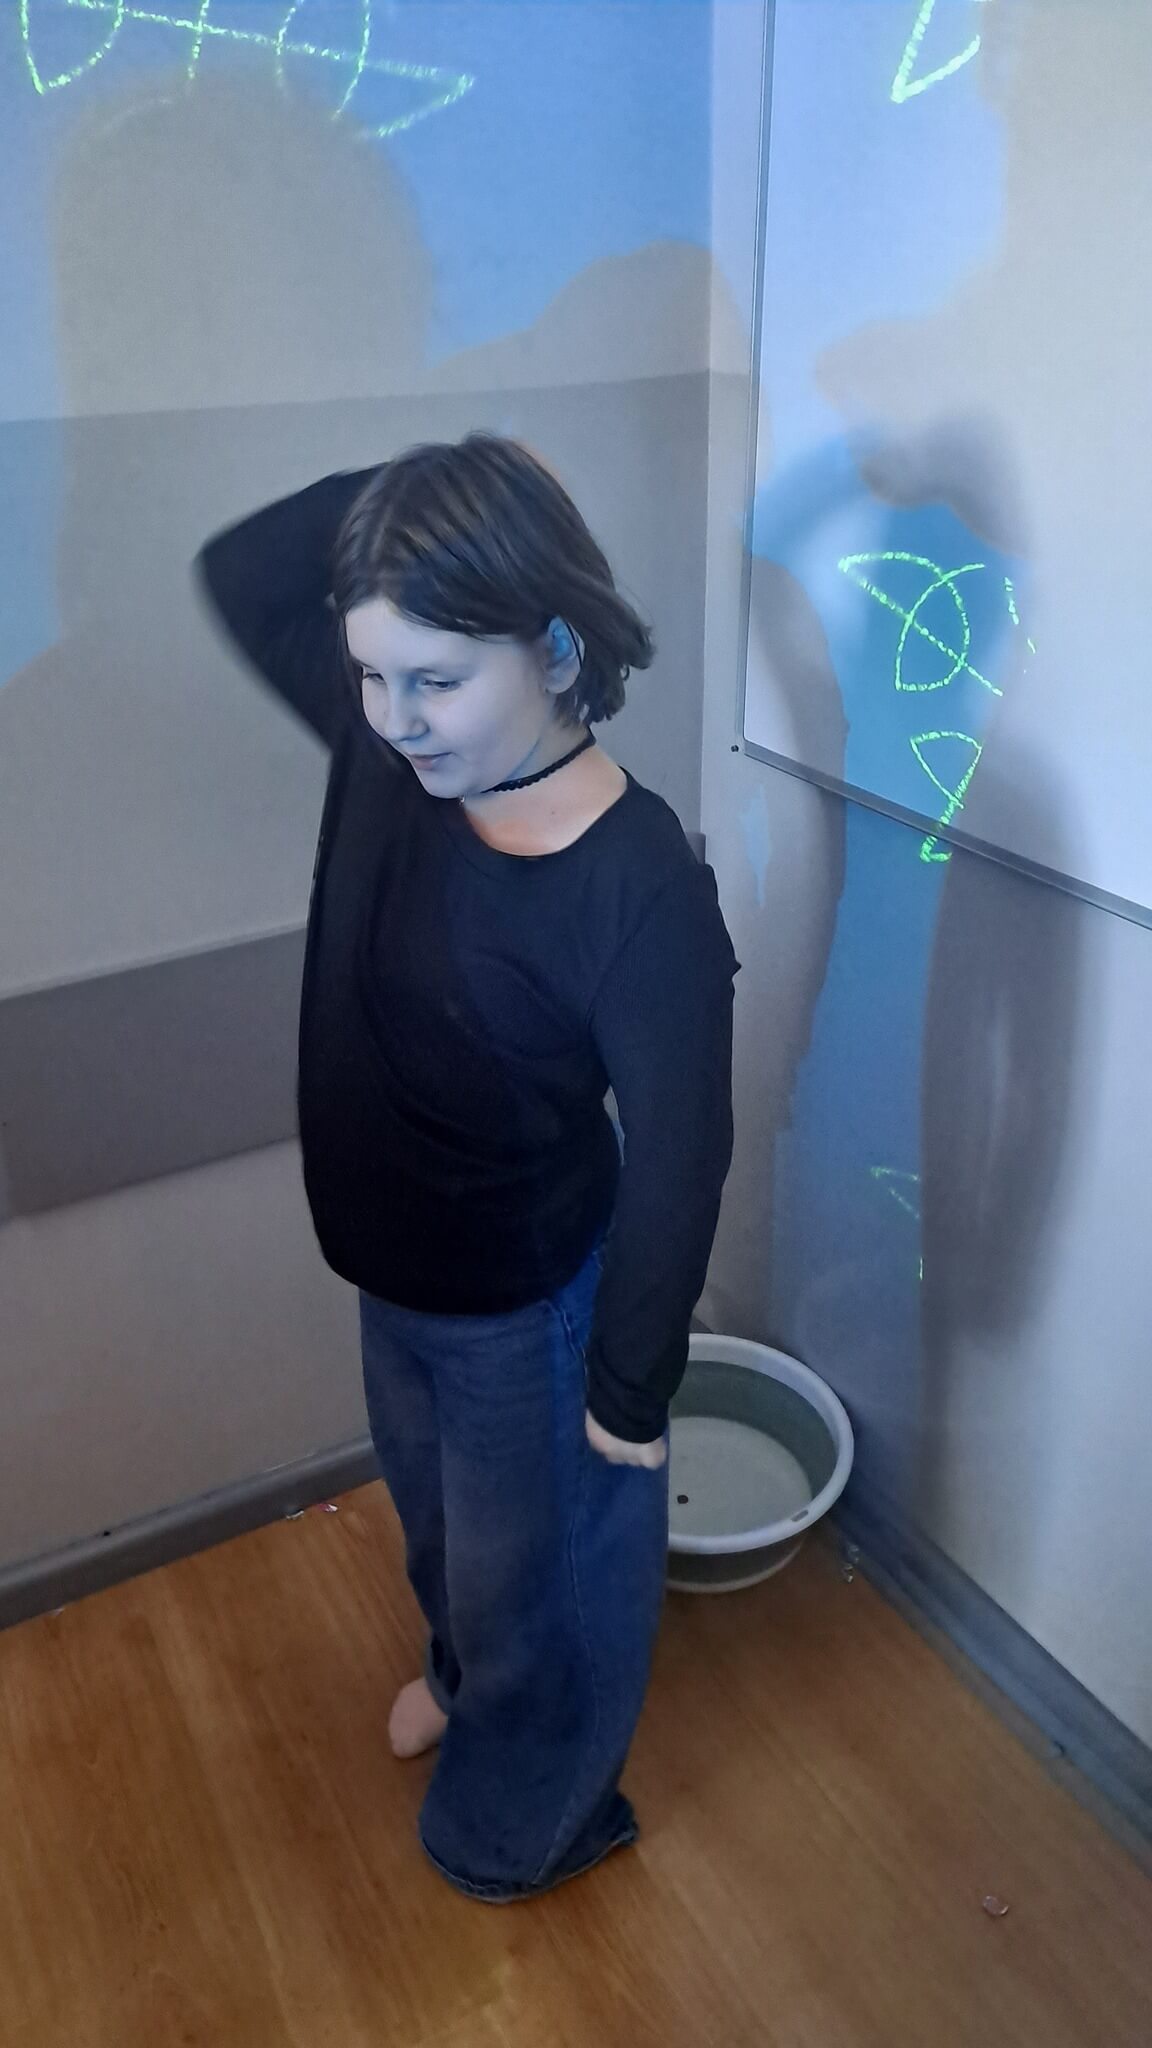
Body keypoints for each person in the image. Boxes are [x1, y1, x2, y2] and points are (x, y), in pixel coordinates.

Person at [196, 434, 740, 1902]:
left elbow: (683, 1152)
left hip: (527, 1316)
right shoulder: (404, 759)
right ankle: (466, 1672)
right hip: (397, 1286)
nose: (393, 719)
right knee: (446, 1535)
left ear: (554, 647)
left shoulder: (637, 886)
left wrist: (628, 1391)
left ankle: (538, 1816)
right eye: (371, 676)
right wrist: (420, 497)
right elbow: (245, 570)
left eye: (432, 678)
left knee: (543, 1579)